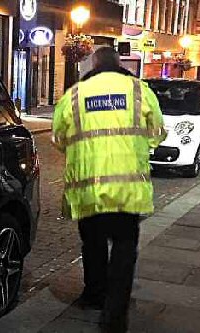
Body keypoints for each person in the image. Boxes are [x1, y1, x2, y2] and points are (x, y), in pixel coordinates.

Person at [52, 47, 166, 332]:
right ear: (120, 64)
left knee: (92, 244)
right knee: (125, 248)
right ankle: (115, 313)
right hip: (127, 190)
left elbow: (58, 138)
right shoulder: (140, 91)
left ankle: (94, 295)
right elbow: (157, 133)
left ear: (94, 64)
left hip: (88, 189)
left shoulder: (75, 95)